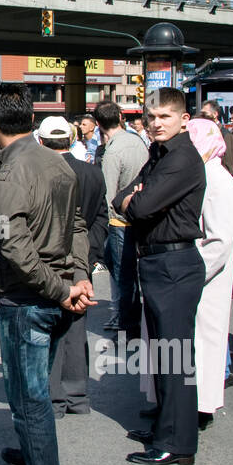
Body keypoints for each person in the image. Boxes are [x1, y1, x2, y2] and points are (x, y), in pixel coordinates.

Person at [0, 84, 93, 465]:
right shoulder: (60, 163)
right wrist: (78, 278)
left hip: (28, 300)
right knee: (34, 393)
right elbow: (78, 225)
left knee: (28, 397)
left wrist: (65, 287)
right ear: (30, 119)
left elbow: (13, 246)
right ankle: (33, 454)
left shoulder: (9, 177)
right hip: (54, 293)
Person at [113, 87, 205, 465]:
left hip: (174, 264)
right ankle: (167, 428)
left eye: (165, 116)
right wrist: (133, 198)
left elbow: (142, 204)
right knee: (165, 354)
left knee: (176, 356)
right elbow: (120, 197)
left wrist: (136, 198)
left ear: (184, 119)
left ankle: (178, 443)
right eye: (151, 117)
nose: (156, 124)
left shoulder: (181, 157)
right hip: (158, 263)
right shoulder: (160, 154)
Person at [37, 114, 107, 417]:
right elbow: (102, 217)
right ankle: (76, 395)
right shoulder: (92, 174)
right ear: (72, 140)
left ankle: (53, 398)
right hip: (83, 259)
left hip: (48, 261)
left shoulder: (37, 174)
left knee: (48, 328)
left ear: (40, 142)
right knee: (77, 325)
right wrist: (89, 256)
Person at [186, 118, 233, 426]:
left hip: (205, 276)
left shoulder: (217, 180)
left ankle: (202, 407)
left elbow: (219, 239)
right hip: (195, 272)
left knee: (205, 342)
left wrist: (192, 273)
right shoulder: (202, 174)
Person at [95, 101, 149, 337]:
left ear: (98, 124)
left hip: (120, 221)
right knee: (132, 274)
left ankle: (128, 324)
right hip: (142, 216)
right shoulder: (138, 141)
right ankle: (133, 319)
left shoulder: (113, 151)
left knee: (123, 275)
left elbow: (108, 194)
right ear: (119, 117)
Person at [198, 101, 233, 177]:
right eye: (201, 114)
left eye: (205, 113)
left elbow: (229, 165)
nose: (202, 116)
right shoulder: (203, 132)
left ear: (215, 114)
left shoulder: (225, 134)